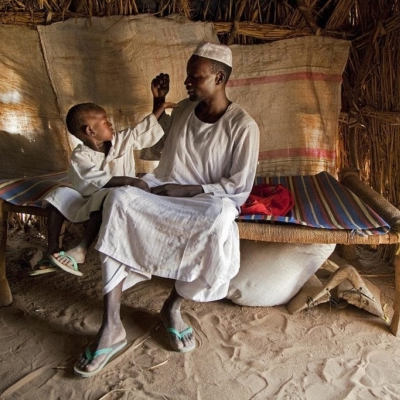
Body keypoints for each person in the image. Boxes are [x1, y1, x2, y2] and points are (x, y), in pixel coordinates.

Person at [73, 41, 260, 378]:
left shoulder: (243, 126)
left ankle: (172, 307)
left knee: (219, 222)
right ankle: (112, 324)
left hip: (204, 201)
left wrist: (189, 189)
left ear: (219, 78)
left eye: (195, 77)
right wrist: (157, 106)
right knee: (118, 200)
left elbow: (239, 188)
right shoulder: (185, 110)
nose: (187, 83)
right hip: (164, 190)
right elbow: (159, 148)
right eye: (188, 76)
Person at [35, 83, 176, 276]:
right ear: (90, 131)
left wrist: (159, 104)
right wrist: (132, 180)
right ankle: (51, 247)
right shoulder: (80, 156)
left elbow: (142, 131)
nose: (110, 124)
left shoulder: (120, 140)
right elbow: (92, 180)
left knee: (108, 194)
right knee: (57, 195)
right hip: (89, 197)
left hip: (114, 198)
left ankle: (82, 249)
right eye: (104, 121)